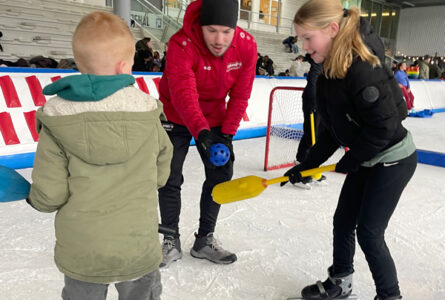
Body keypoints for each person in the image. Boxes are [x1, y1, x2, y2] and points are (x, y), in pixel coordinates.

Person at [26, 11, 173, 300]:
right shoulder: (147, 112)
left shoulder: (57, 118)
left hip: (84, 250)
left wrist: (36, 199)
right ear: (123, 66)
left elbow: (50, 192)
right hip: (137, 243)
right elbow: (161, 172)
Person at [282, 1, 417, 300]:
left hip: (393, 158)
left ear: (332, 30)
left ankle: (389, 296)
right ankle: (341, 282)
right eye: (301, 38)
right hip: (367, 156)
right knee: (343, 221)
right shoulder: (331, 67)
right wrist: (306, 164)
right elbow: (333, 129)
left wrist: (351, 160)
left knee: (369, 231)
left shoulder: (362, 69)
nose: (303, 46)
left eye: (308, 38)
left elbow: (384, 127)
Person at [158, 0, 257, 268]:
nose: (219, 39)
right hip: (176, 114)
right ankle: (170, 239)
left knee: (221, 173)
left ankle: (204, 240)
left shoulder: (247, 46)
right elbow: (183, 93)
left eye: (227, 31)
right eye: (212, 30)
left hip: (215, 116)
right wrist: (201, 133)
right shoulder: (181, 44)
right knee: (168, 174)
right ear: (201, 25)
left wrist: (226, 135)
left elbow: (240, 95)